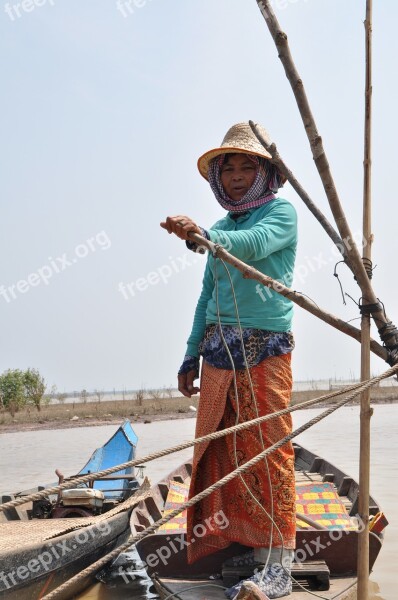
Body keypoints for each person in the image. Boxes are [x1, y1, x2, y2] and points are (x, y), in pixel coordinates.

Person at [160, 122, 297, 599]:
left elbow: (254, 246)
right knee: (223, 451)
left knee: (268, 449)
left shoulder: (282, 214)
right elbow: (206, 296)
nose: (237, 176)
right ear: (219, 178)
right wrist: (189, 356)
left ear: (265, 173)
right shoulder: (218, 228)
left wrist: (203, 237)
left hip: (265, 345)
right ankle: (246, 546)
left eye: (247, 166)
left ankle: (278, 563)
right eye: (229, 168)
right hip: (218, 349)